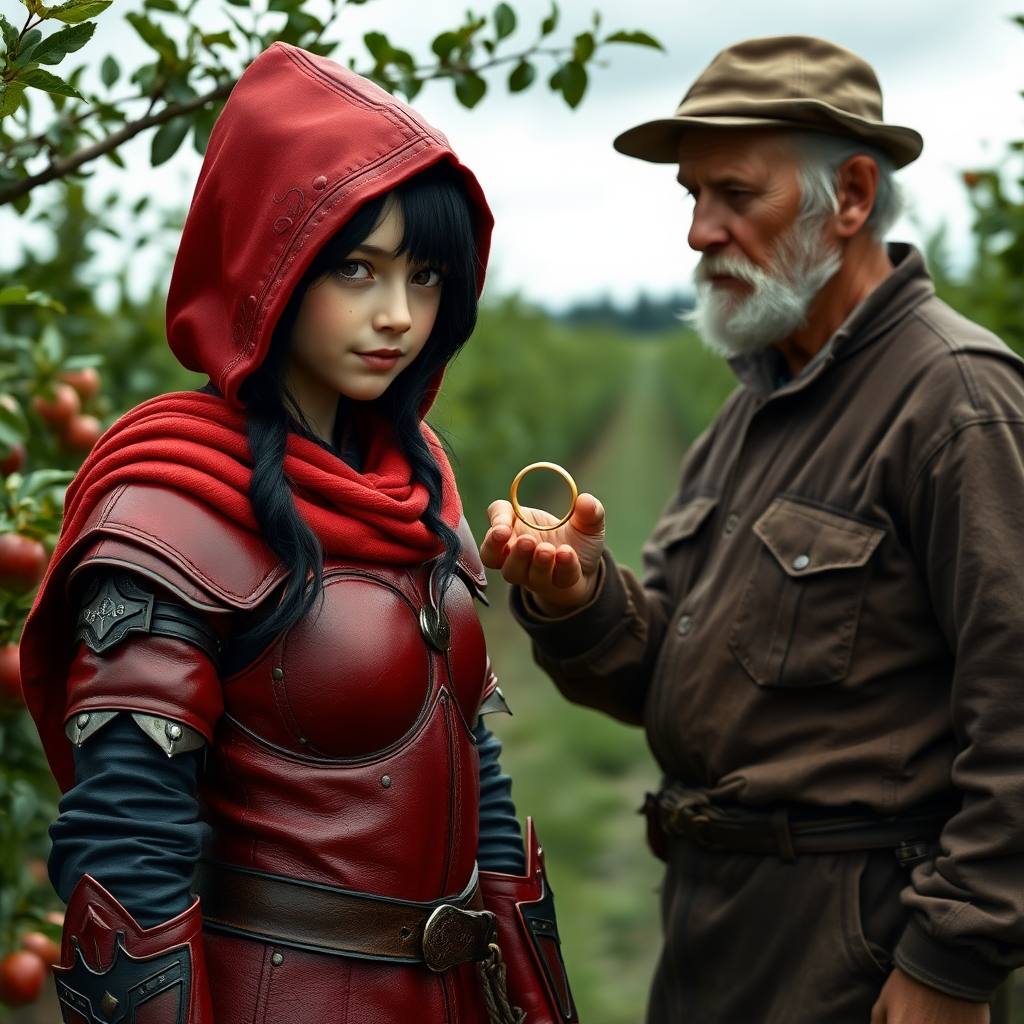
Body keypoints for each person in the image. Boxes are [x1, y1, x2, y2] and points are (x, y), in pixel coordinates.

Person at [22, 42, 577, 1024]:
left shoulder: (413, 473)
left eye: (425, 274)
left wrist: (528, 999)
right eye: (356, 269)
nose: (397, 314)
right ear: (267, 264)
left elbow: (470, 766)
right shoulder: (172, 505)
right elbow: (128, 852)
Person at [481, 34, 1024, 1024]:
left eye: (735, 195)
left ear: (851, 197)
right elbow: (667, 685)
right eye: (691, 197)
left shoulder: (952, 399)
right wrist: (577, 598)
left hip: (854, 948)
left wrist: (954, 955)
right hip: (714, 937)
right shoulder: (753, 410)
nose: (698, 231)